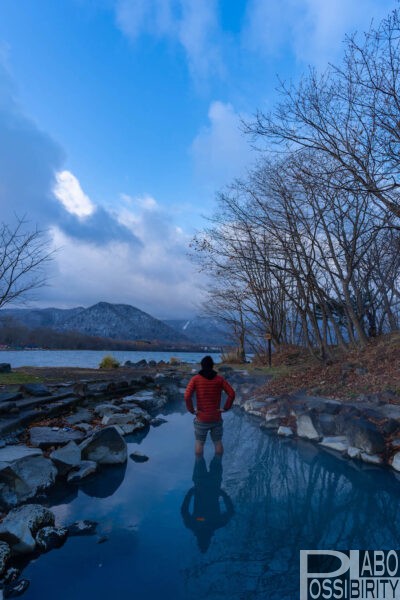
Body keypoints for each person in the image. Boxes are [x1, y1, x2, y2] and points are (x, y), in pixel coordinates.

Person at [184, 355, 235, 456]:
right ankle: (217, 466)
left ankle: (199, 467)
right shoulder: (219, 379)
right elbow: (232, 394)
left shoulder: (195, 379)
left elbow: (187, 396)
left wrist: (192, 410)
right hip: (216, 417)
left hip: (201, 418)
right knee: (218, 442)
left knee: (199, 443)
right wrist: (225, 408)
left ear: (202, 366)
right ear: (212, 366)